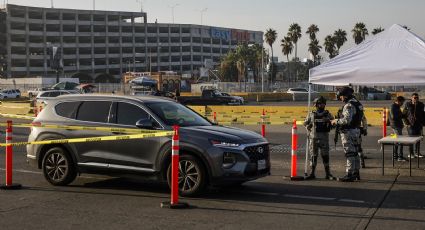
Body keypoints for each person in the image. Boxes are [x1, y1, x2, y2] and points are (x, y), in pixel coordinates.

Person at [331, 86, 364, 182]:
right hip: (356, 131)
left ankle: (349, 174)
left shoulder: (349, 105)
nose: (340, 98)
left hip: (348, 132)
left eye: (341, 96)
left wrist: (335, 121)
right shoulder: (357, 103)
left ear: (345, 96)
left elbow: (346, 120)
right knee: (355, 153)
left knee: (350, 153)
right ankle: (356, 173)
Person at [303, 96, 335, 180]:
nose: (322, 105)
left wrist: (328, 121)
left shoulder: (328, 114)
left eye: (323, 103)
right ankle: (312, 173)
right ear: (316, 105)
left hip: (324, 138)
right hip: (313, 138)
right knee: (313, 156)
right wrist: (308, 126)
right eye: (320, 103)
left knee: (325, 156)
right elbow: (305, 123)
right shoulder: (311, 114)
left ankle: (328, 174)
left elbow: (334, 123)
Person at [402, 93, 425, 158]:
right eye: (414, 98)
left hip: (419, 124)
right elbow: (404, 115)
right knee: (411, 139)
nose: (416, 99)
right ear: (412, 98)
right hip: (411, 125)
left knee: (418, 139)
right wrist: (406, 123)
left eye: (417, 98)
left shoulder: (421, 105)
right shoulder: (408, 104)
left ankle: (417, 152)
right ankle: (411, 153)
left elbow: (424, 114)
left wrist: (423, 123)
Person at [390, 96, 406, 161]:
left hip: (397, 126)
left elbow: (399, 115)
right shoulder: (393, 107)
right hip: (396, 126)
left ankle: (395, 156)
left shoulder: (397, 107)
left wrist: (404, 114)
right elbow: (394, 117)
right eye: (402, 102)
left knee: (396, 142)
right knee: (400, 141)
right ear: (398, 101)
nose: (402, 104)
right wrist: (402, 115)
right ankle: (400, 157)